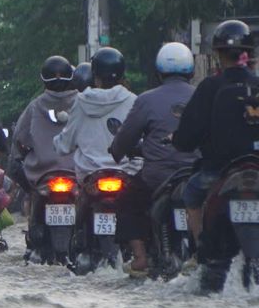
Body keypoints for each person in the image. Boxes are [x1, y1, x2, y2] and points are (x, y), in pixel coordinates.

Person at [107, 43, 198, 276]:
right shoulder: (202, 95)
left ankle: (140, 258)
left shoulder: (146, 100)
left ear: (159, 72)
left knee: (126, 199)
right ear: (191, 71)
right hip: (196, 175)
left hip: (157, 177)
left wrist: (117, 151)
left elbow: (125, 139)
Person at [173, 19, 256, 247]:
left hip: (219, 170)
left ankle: (201, 250)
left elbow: (188, 136)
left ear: (218, 53)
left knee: (190, 195)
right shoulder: (256, 84)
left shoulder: (210, 86)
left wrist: (179, 141)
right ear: (248, 53)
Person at [53, 47, 141, 182]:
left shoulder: (81, 101)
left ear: (95, 75)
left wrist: (56, 143)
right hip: (125, 176)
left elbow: (65, 144)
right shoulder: (133, 101)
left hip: (89, 177)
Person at [10, 55, 79, 193]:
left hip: (41, 176)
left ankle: (30, 201)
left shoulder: (35, 106)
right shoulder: (84, 104)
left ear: (44, 80)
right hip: (79, 173)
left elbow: (19, 139)